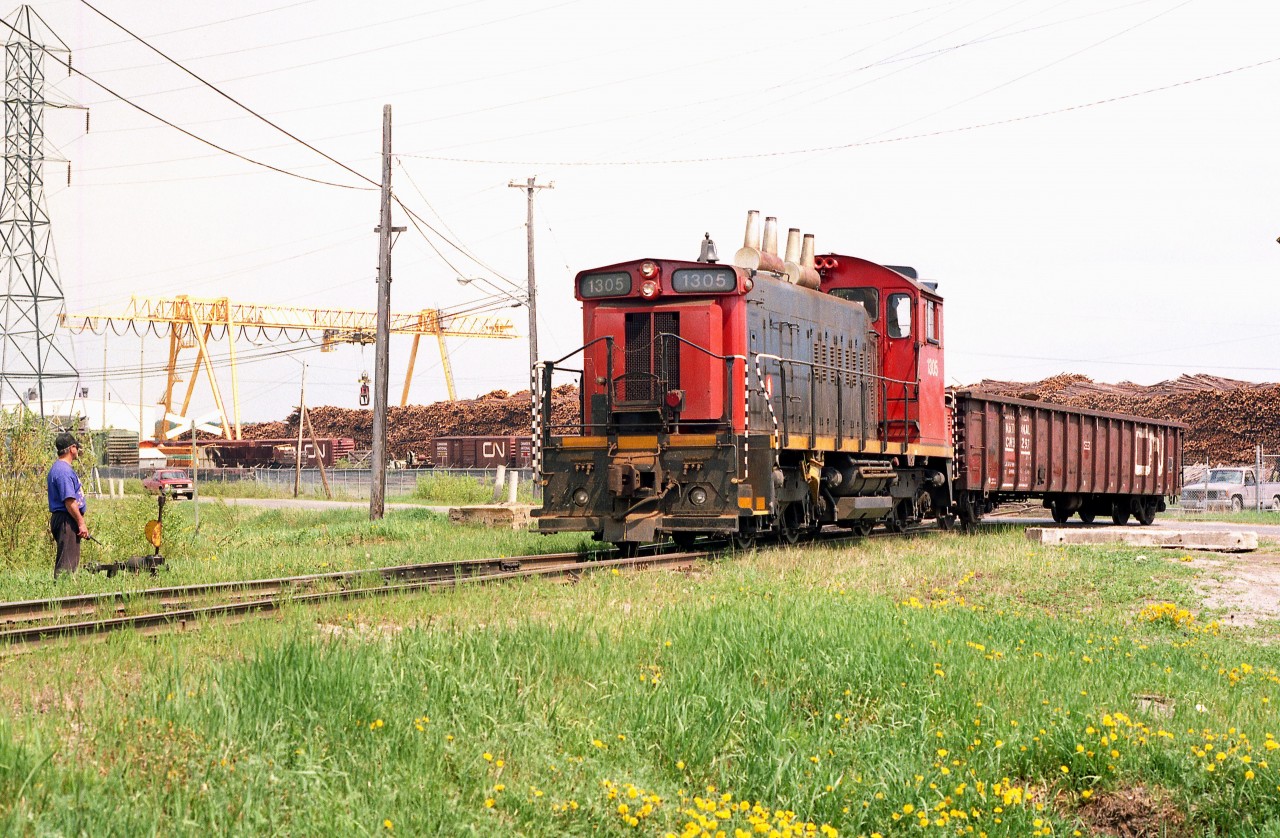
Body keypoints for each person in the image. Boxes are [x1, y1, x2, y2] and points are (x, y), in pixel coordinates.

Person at [47, 431, 88, 577]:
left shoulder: (60, 468)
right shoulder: (63, 471)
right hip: (66, 520)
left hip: (67, 519)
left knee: (69, 562)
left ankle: (64, 594)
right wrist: (81, 522)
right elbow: (69, 501)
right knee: (66, 566)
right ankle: (62, 597)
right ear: (72, 448)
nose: (77, 450)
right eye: (76, 447)